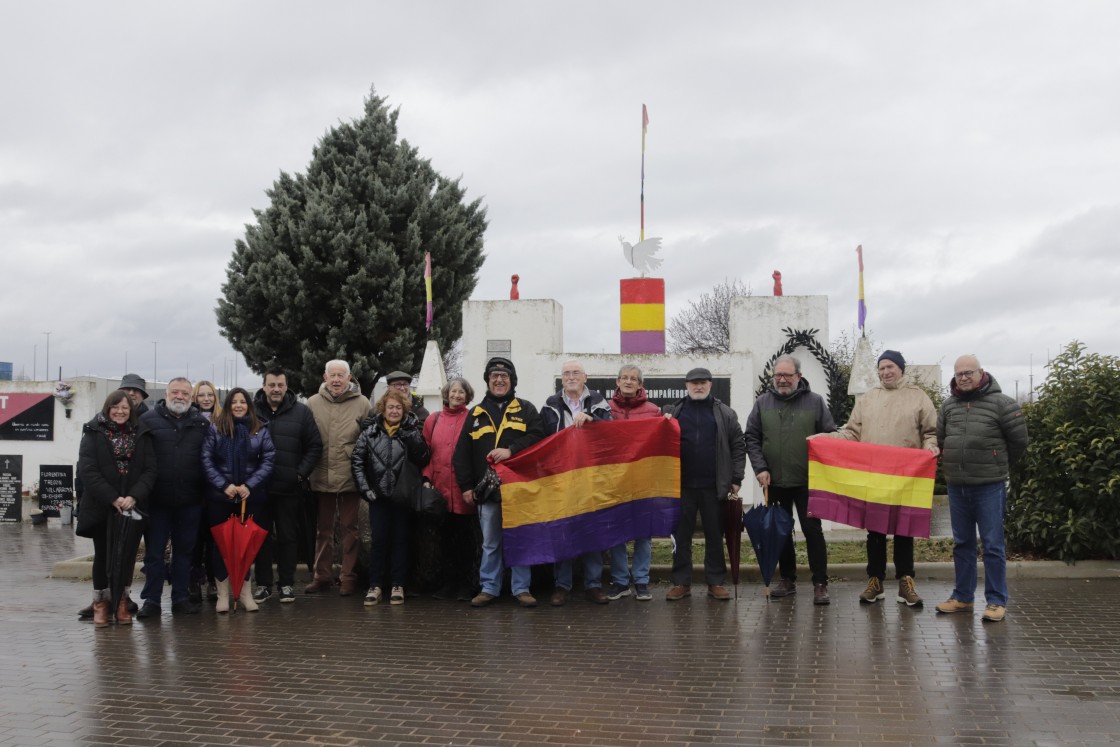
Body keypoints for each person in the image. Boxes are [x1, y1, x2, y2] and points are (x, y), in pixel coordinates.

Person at [814, 350, 939, 607]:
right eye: (881, 368)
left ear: (901, 369)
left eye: (890, 367)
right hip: (874, 476)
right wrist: (823, 439)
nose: (885, 372)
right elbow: (851, 433)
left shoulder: (918, 397)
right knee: (876, 531)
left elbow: (931, 431)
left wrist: (931, 446)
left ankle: (906, 582)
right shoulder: (868, 399)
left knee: (905, 530)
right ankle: (875, 581)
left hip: (907, 475)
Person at [935, 355, 1029, 623]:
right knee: (962, 543)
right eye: (959, 374)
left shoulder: (1003, 405)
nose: (963, 377)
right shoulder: (948, 406)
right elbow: (942, 440)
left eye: (968, 372)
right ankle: (963, 597)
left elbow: (1019, 443)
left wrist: (997, 464)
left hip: (989, 486)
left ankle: (997, 601)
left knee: (992, 545)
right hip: (957, 487)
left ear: (981, 373)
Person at [452, 356, 545, 608]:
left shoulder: (526, 409)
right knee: (491, 542)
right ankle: (489, 587)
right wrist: (466, 486)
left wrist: (511, 450)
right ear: (488, 381)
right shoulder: (476, 413)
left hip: (519, 490)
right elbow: (461, 454)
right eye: (494, 376)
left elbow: (539, 437)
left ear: (512, 381)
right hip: (487, 492)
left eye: (504, 377)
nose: (499, 380)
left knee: (520, 538)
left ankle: (521, 588)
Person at [744, 354, 837, 605]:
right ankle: (787, 579)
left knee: (812, 531)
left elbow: (829, 435)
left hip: (807, 481)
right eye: (778, 375)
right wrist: (760, 468)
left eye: (787, 375)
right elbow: (751, 437)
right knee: (781, 532)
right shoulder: (762, 403)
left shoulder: (815, 402)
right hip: (773, 482)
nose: (782, 380)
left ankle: (820, 583)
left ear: (799, 376)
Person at [664, 368, 746, 601]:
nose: (698, 387)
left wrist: (736, 479)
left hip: (714, 486)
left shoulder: (725, 413)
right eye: (693, 383)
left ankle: (715, 582)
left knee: (714, 535)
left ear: (710, 384)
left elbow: (738, 447)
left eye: (702, 383)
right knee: (681, 537)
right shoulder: (674, 412)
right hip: (681, 487)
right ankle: (681, 582)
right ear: (686, 385)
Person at [76, 390, 157, 627]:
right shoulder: (93, 432)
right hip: (103, 505)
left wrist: (133, 496)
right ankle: (101, 603)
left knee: (128, 556)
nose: (120, 412)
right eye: (116, 407)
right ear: (107, 408)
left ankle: (122, 601)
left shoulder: (141, 433)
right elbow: (88, 470)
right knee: (103, 555)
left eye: (125, 408)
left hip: (132, 506)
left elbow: (150, 470)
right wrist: (113, 498)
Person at [137, 377, 211, 619]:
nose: (180, 397)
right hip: (157, 501)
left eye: (185, 393)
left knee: (184, 553)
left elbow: (208, 459)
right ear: (166, 394)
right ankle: (151, 600)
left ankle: (180, 598)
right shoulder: (147, 421)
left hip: (190, 500)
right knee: (155, 553)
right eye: (175, 392)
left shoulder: (201, 423)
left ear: (191, 397)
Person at [541, 359, 613, 606]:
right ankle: (562, 586)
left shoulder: (599, 401)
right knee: (564, 531)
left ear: (585, 377)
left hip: (592, 477)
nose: (571, 376)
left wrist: (593, 420)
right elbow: (542, 441)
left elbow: (613, 431)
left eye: (576, 373)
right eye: (566, 373)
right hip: (562, 478)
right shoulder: (550, 404)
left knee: (593, 531)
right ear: (562, 379)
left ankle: (593, 585)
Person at [351, 390, 431, 605]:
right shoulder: (370, 433)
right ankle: (375, 585)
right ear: (383, 410)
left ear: (404, 410)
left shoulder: (411, 430)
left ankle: (398, 584)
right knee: (378, 541)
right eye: (390, 407)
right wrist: (365, 489)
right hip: (378, 497)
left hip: (402, 497)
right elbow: (357, 461)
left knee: (401, 541)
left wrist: (411, 435)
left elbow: (424, 456)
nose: (394, 411)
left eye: (398, 407)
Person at [251, 367, 323, 603]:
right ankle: (262, 584)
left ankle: (286, 584)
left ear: (286, 386)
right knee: (260, 537)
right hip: (258, 489)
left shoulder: (301, 412)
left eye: (280, 385)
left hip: (288, 488)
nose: (276, 389)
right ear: (264, 386)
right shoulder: (251, 412)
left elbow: (314, 446)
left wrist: (300, 474)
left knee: (288, 537)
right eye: (271, 385)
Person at [201, 387, 276, 612]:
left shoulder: (259, 429)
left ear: (249, 405)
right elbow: (206, 459)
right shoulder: (216, 429)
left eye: (243, 402)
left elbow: (269, 459)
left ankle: (244, 593)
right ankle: (223, 594)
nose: (238, 406)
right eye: (234, 402)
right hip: (220, 497)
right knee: (220, 546)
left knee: (245, 546)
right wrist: (224, 486)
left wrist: (249, 486)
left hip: (249, 498)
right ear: (227, 405)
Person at [305, 360, 372, 596]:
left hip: (349, 476)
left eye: (340, 375)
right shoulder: (312, 402)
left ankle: (348, 577)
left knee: (350, 530)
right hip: (321, 474)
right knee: (322, 530)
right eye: (332, 375)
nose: (336, 380)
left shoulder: (363, 403)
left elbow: (369, 438)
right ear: (325, 377)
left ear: (349, 378)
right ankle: (321, 576)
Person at [606, 363, 664, 602]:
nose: (628, 382)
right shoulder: (605, 408)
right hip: (615, 480)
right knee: (616, 534)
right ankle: (620, 582)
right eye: (624, 378)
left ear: (641, 385)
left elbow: (662, 441)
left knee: (643, 533)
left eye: (633, 379)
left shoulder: (654, 411)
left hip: (643, 481)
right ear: (617, 382)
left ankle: (641, 581)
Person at [422, 377, 479, 601]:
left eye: (461, 392)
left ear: (467, 396)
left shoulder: (473, 418)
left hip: (464, 490)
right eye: (453, 391)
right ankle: (447, 583)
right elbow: (426, 452)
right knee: (444, 542)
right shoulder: (433, 420)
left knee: (466, 541)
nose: (456, 396)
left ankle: (466, 585)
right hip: (440, 490)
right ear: (446, 393)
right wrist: (426, 478)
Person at [189, 379, 222, 604]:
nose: (206, 399)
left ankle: (213, 581)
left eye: (210, 395)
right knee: (194, 539)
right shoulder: (189, 420)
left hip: (216, 489)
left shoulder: (222, 421)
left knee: (214, 539)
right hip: (192, 488)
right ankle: (194, 581)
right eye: (202, 395)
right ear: (195, 398)